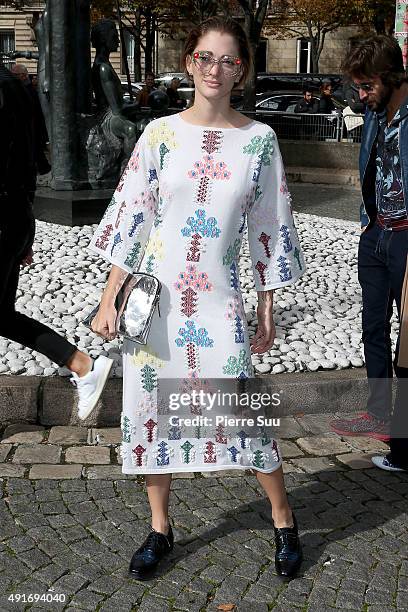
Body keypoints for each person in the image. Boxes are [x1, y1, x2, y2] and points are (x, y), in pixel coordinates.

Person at [89, 16, 305, 580]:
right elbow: (134, 216)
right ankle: (160, 528)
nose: (215, 69)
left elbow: (270, 224)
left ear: (242, 69)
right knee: (152, 411)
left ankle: (283, 518)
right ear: (189, 63)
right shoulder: (157, 134)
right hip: (158, 304)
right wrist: (111, 296)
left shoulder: (259, 141)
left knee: (243, 415)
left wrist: (265, 303)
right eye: (205, 57)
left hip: (221, 301)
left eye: (228, 60)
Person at [0, 60, 113, 420]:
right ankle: (81, 364)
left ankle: (83, 365)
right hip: (13, 216)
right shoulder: (15, 87)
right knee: (1, 316)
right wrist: (24, 228)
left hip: (6, 218)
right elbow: (31, 159)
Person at [330, 35, 408, 472]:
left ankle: (403, 440)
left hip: (407, 239)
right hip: (377, 233)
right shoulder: (378, 113)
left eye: (366, 87)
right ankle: (379, 413)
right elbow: (370, 165)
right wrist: (368, 218)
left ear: (390, 77)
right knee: (373, 328)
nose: (360, 96)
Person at [11, 63, 51, 175]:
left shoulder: (27, 91)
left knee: (34, 153)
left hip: (32, 129)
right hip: (33, 129)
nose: (12, 77)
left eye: (15, 75)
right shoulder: (26, 90)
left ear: (23, 75)